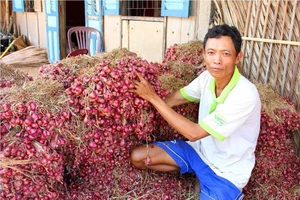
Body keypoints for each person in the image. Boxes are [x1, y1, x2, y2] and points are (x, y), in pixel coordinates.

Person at [129, 24, 261, 200]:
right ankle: (196, 172)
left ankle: (212, 184)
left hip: (226, 174)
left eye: (226, 54)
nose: (217, 60)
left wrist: (153, 98)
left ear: (238, 57)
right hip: (199, 153)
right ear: (204, 54)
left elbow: (194, 133)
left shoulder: (245, 94)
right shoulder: (207, 78)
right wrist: (144, 106)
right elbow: (178, 98)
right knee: (138, 157)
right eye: (211, 52)